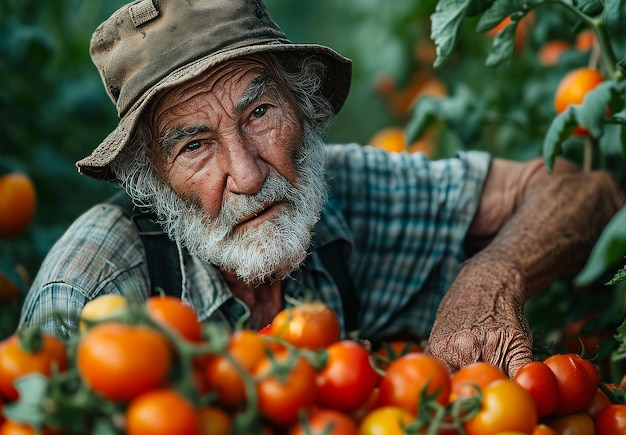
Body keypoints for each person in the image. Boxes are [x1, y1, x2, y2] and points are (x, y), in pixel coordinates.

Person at [18, 0, 624, 377]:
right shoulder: (92, 293)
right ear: (152, 179)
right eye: (194, 146)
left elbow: (581, 191)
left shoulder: (345, 195)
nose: (250, 174)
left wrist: (491, 277)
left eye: (259, 114)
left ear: (303, 106)